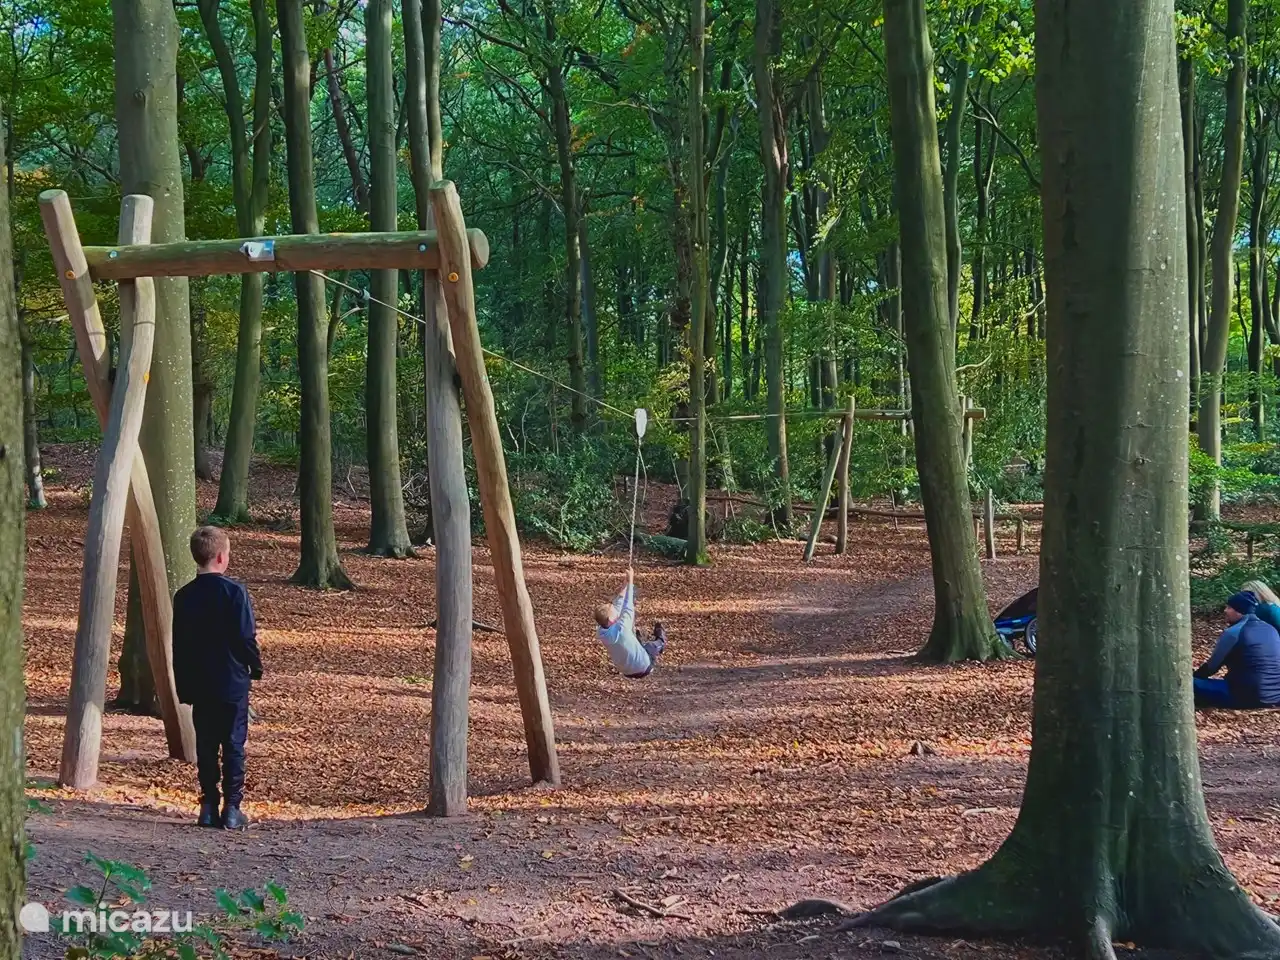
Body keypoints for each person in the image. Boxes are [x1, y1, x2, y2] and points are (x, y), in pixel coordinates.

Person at [173, 526, 263, 829]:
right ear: (222, 557)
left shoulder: (184, 596)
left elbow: (179, 644)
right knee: (234, 743)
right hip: (231, 680)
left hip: (200, 681)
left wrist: (183, 683)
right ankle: (233, 808)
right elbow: (244, 637)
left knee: (206, 743)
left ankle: (208, 805)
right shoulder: (235, 592)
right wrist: (256, 665)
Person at [1193, 590, 1280, 710]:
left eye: (1229, 608)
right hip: (1275, 696)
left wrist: (1194, 677)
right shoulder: (1271, 629)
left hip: (1246, 697)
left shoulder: (1234, 632)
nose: (1225, 611)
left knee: (1189, 684)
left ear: (1239, 611)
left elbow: (1211, 667)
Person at [594, 568, 667, 679]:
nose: (615, 609)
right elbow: (628, 605)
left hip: (627, 672)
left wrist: (626, 583)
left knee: (635, 641)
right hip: (644, 666)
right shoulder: (621, 628)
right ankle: (661, 640)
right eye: (613, 611)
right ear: (610, 619)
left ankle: (639, 641)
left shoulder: (602, 631)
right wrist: (631, 580)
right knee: (652, 646)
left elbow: (619, 603)